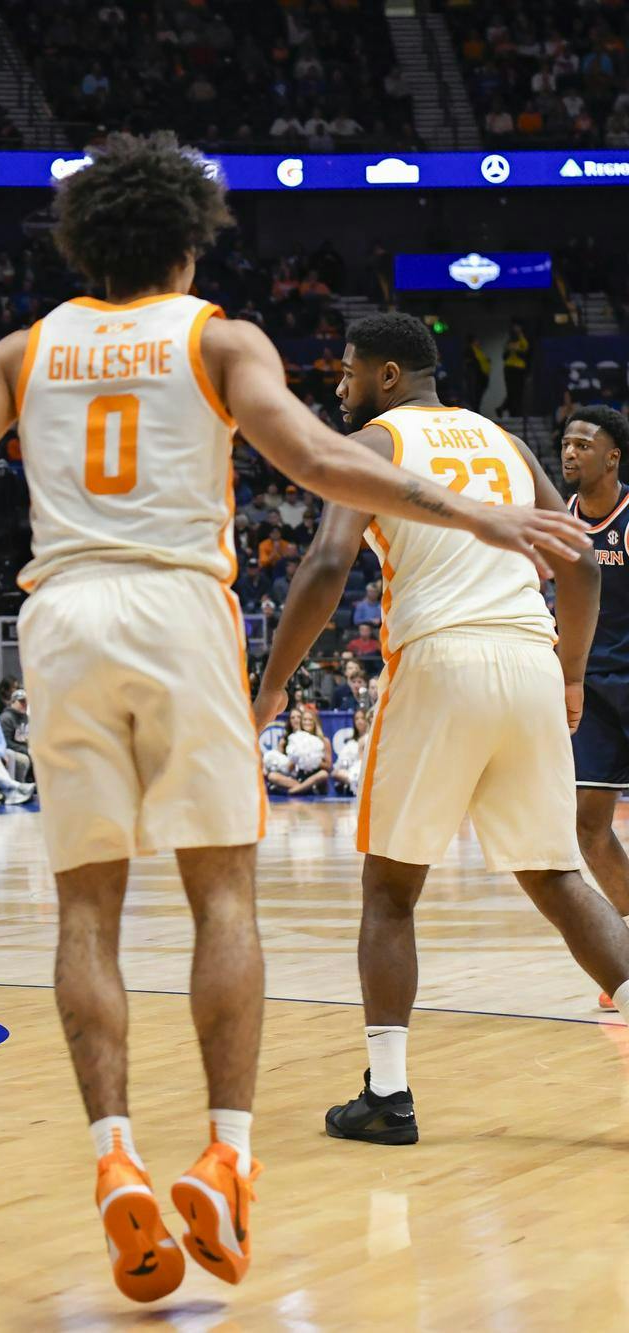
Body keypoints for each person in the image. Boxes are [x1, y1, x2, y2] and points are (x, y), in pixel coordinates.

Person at [0, 134, 588, 1302]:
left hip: (63, 616)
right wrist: (474, 514)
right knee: (221, 892)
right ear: (189, 245)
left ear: (77, 243)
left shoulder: (23, 348)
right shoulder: (218, 338)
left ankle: (111, 1158)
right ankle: (227, 1155)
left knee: (86, 904)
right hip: (177, 606)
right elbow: (312, 460)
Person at [253, 312, 629, 1149]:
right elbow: (579, 559)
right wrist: (570, 669)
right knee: (558, 876)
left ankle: (387, 1097)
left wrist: (272, 684)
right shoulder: (501, 441)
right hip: (530, 659)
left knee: (391, 889)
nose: (340, 386)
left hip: (442, 659)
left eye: (349, 372)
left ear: (388, 377)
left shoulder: (377, 444)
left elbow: (323, 565)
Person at [560, 406, 629, 1008]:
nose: (571, 451)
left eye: (585, 443)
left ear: (613, 457)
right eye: (567, 442)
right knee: (588, 827)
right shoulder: (562, 521)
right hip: (593, 690)